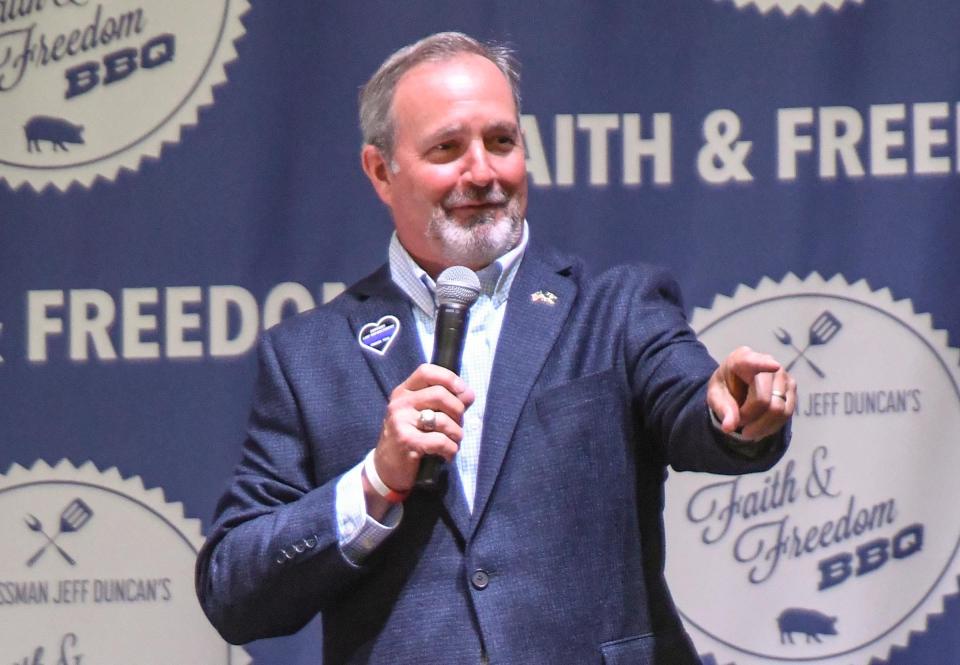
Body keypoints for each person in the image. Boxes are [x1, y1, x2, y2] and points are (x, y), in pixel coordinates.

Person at [195, 32, 796, 665]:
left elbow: (690, 407)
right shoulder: (308, 358)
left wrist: (731, 413)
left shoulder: (615, 307)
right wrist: (375, 481)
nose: (481, 172)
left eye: (501, 142)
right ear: (381, 171)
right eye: (448, 148)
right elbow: (234, 590)